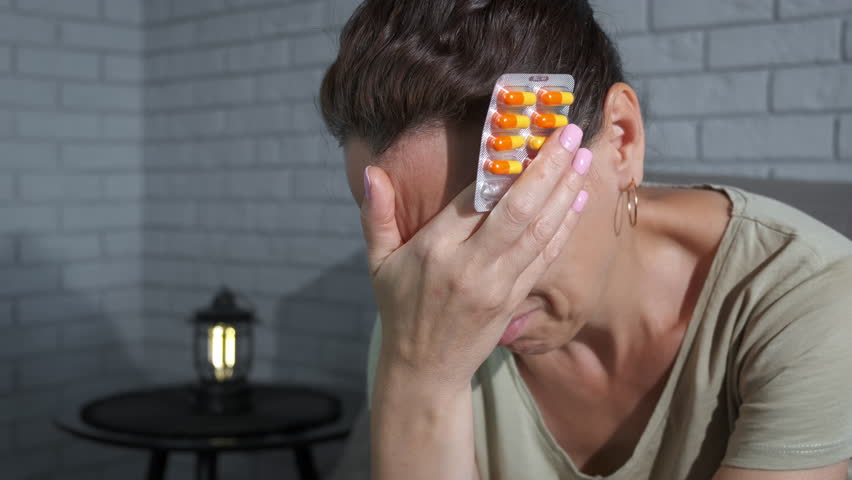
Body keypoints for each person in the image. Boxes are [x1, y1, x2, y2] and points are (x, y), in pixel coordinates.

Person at [318, 1, 852, 479]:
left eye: (497, 227)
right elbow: (428, 329)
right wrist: (421, 379)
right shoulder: (423, 321)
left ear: (621, 139)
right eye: (413, 251)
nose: (458, 287)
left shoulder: (808, 298)